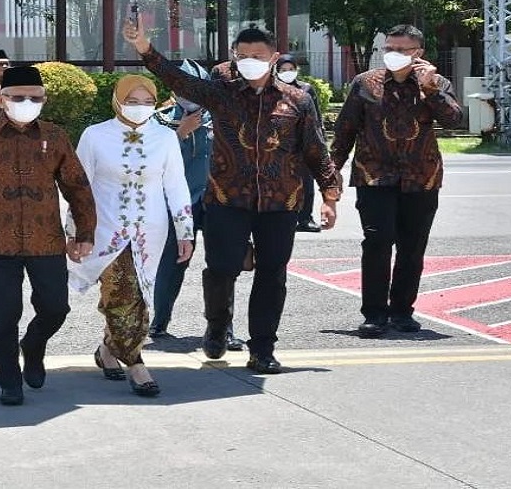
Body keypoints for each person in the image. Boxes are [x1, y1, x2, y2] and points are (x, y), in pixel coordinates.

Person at [124, 21, 341, 374]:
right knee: (222, 269)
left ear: (273, 57)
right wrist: (145, 48)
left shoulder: (297, 100)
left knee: (272, 274)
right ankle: (217, 325)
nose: (250, 60)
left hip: (280, 202)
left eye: (258, 55)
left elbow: (316, 149)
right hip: (227, 199)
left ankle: (263, 349)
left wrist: (329, 197)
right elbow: (179, 81)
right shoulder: (221, 92)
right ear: (234, 57)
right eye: (243, 55)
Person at [0, 65, 96, 406]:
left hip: (46, 241)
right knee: (4, 315)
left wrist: (84, 232)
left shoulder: (55, 136)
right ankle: (9, 382)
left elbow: (77, 187)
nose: (26, 103)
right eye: (18, 97)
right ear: (1, 99)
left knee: (56, 308)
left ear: (44, 100)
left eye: (34, 97)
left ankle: (34, 344)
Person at [330, 24, 463, 337]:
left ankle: (402, 311)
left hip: (421, 178)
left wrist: (430, 89)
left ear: (419, 53)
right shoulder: (366, 83)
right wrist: (332, 171)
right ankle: (374, 314)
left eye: (402, 50)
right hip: (374, 176)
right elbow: (345, 129)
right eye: (389, 48)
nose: (393, 54)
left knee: (412, 247)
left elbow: (454, 120)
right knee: (377, 242)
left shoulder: (437, 83)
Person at [69, 74, 194, 397]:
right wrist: (74, 232)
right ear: (117, 101)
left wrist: (185, 231)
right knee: (120, 291)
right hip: (105, 228)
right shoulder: (95, 135)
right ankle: (136, 364)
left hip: (150, 231)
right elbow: (79, 188)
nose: (140, 108)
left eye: (148, 102)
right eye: (132, 101)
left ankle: (108, 350)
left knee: (137, 294)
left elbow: (176, 185)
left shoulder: (165, 138)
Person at [150, 59, 245, 350]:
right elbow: (153, 161)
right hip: (180, 203)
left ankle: (223, 328)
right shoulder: (161, 120)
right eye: (183, 87)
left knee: (222, 267)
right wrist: (181, 132)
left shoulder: (222, 116)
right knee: (172, 262)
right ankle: (159, 321)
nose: (189, 94)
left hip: (218, 200)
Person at [275, 54, 323, 233]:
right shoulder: (272, 89)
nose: (287, 72)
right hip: (279, 144)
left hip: (302, 142)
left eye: (291, 69)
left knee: (306, 183)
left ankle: (305, 218)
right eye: (283, 69)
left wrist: (319, 141)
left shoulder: (306, 89)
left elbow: (316, 118)